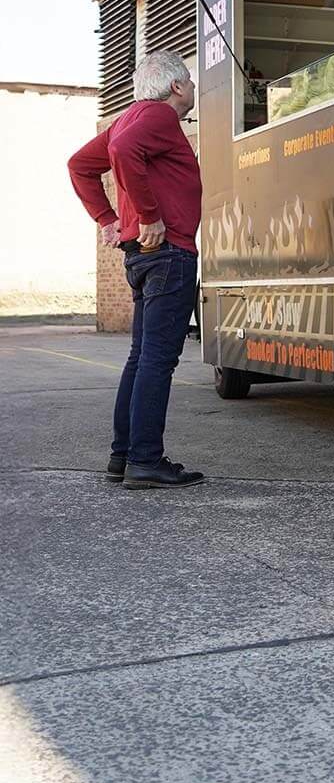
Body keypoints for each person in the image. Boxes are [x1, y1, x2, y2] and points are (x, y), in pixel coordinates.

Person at [68, 51, 205, 489]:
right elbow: (121, 154)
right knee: (157, 361)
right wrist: (147, 215)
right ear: (177, 87)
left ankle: (124, 457)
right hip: (168, 253)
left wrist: (109, 220)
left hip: (144, 258)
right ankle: (145, 460)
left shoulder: (127, 119)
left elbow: (81, 165)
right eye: (191, 81)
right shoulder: (159, 118)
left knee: (141, 358)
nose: (194, 88)